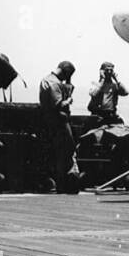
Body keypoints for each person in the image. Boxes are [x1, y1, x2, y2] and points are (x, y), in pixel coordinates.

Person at [38, 60, 80, 192]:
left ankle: (57, 182)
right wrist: (68, 100)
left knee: (56, 153)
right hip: (59, 122)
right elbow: (59, 104)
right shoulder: (55, 83)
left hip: (47, 120)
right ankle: (63, 183)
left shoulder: (46, 79)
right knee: (67, 150)